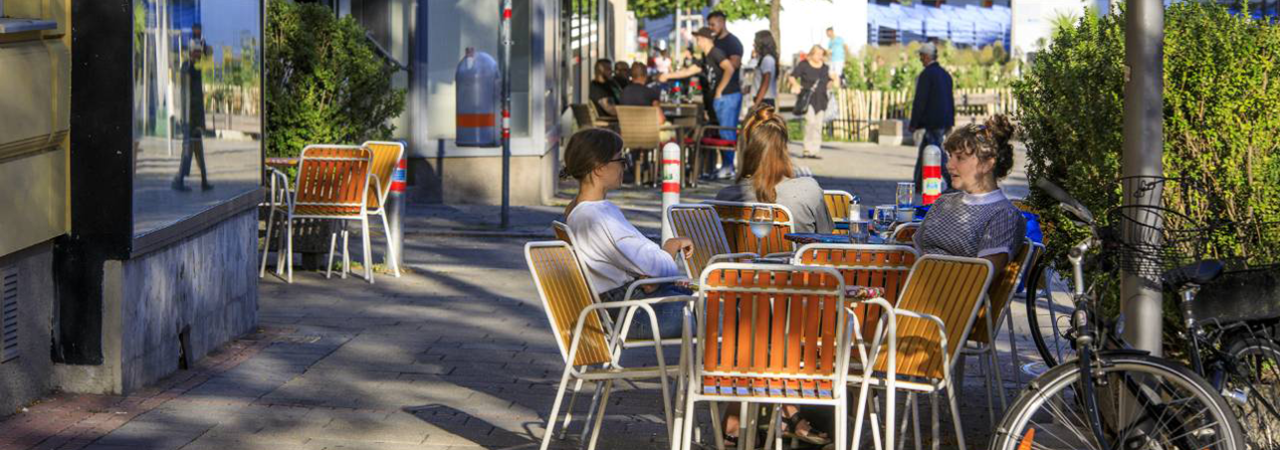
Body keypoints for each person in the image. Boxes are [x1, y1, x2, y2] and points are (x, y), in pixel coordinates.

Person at [561, 128, 694, 340]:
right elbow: (659, 267)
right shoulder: (598, 217)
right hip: (638, 315)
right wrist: (672, 244)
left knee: (711, 303)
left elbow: (633, 263)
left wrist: (649, 277)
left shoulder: (578, 211)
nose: (625, 166)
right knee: (721, 311)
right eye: (620, 160)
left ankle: (702, 373)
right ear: (599, 168)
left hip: (624, 309)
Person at [913, 115, 1025, 281]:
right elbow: (913, 251)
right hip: (914, 291)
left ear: (987, 164)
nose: (949, 165)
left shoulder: (1004, 216)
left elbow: (978, 279)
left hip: (950, 302)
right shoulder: (945, 201)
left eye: (960, 158)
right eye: (950, 156)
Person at [716, 106, 834, 234]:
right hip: (797, 254)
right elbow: (825, 239)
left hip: (743, 255)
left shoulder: (726, 198)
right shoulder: (809, 191)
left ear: (746, 150)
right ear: (784, 149)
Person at [659, 27, 740, 180]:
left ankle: (729, 167)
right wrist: (669, 75)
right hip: (722, 97)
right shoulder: (705, 56)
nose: (697, 42)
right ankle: (725, 166)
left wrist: (720, 90)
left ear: (704, 39)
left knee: (726, 132)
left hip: (728, 96)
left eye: (698, 39)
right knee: (721, 131)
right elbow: (689, 71)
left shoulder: (715, 52)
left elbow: (729, 68)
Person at [909, 42, 955, 195]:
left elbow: (920, 101)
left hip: (932, 122)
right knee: (925, 151)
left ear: (927, 56)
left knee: (936, 154)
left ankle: (952, 181)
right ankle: (917, 184)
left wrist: (914, 123)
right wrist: (951, 121)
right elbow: (950, 99)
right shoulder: (945, 74)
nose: (920, 59)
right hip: (944, 120)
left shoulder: (926, 74)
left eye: (921, 56)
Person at [173, 23, 212, 192]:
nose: (197, 54)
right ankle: (180, 180)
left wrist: (203, 47)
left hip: (196, 117)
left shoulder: (197, 67)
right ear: (190, 52)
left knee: (198, 150)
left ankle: (203, 180)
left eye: (198, 51)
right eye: (194, 51)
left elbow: (209, 57)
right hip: (189, 117)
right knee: (188, 150)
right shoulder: (187, 67)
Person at [788, 45, 839, 159]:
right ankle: (807, 149)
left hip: (821, 99)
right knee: (810, 122)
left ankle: (815, 151)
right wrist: (796, 85)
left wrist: (834, 80)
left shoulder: (825, 68)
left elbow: (828, 84)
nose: (820, 56)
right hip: (808, 98)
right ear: (812, 54)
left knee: (818, 125)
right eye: (818, 54)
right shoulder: (804, 65)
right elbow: (792, 76)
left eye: (822, 54)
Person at [752, 31, 778, 109]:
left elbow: (765, 83)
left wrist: (756, 104)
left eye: (755, 42)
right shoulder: (764, 59)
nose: (753, 44)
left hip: (764, 101)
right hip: (762, 100)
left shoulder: (768, 59)